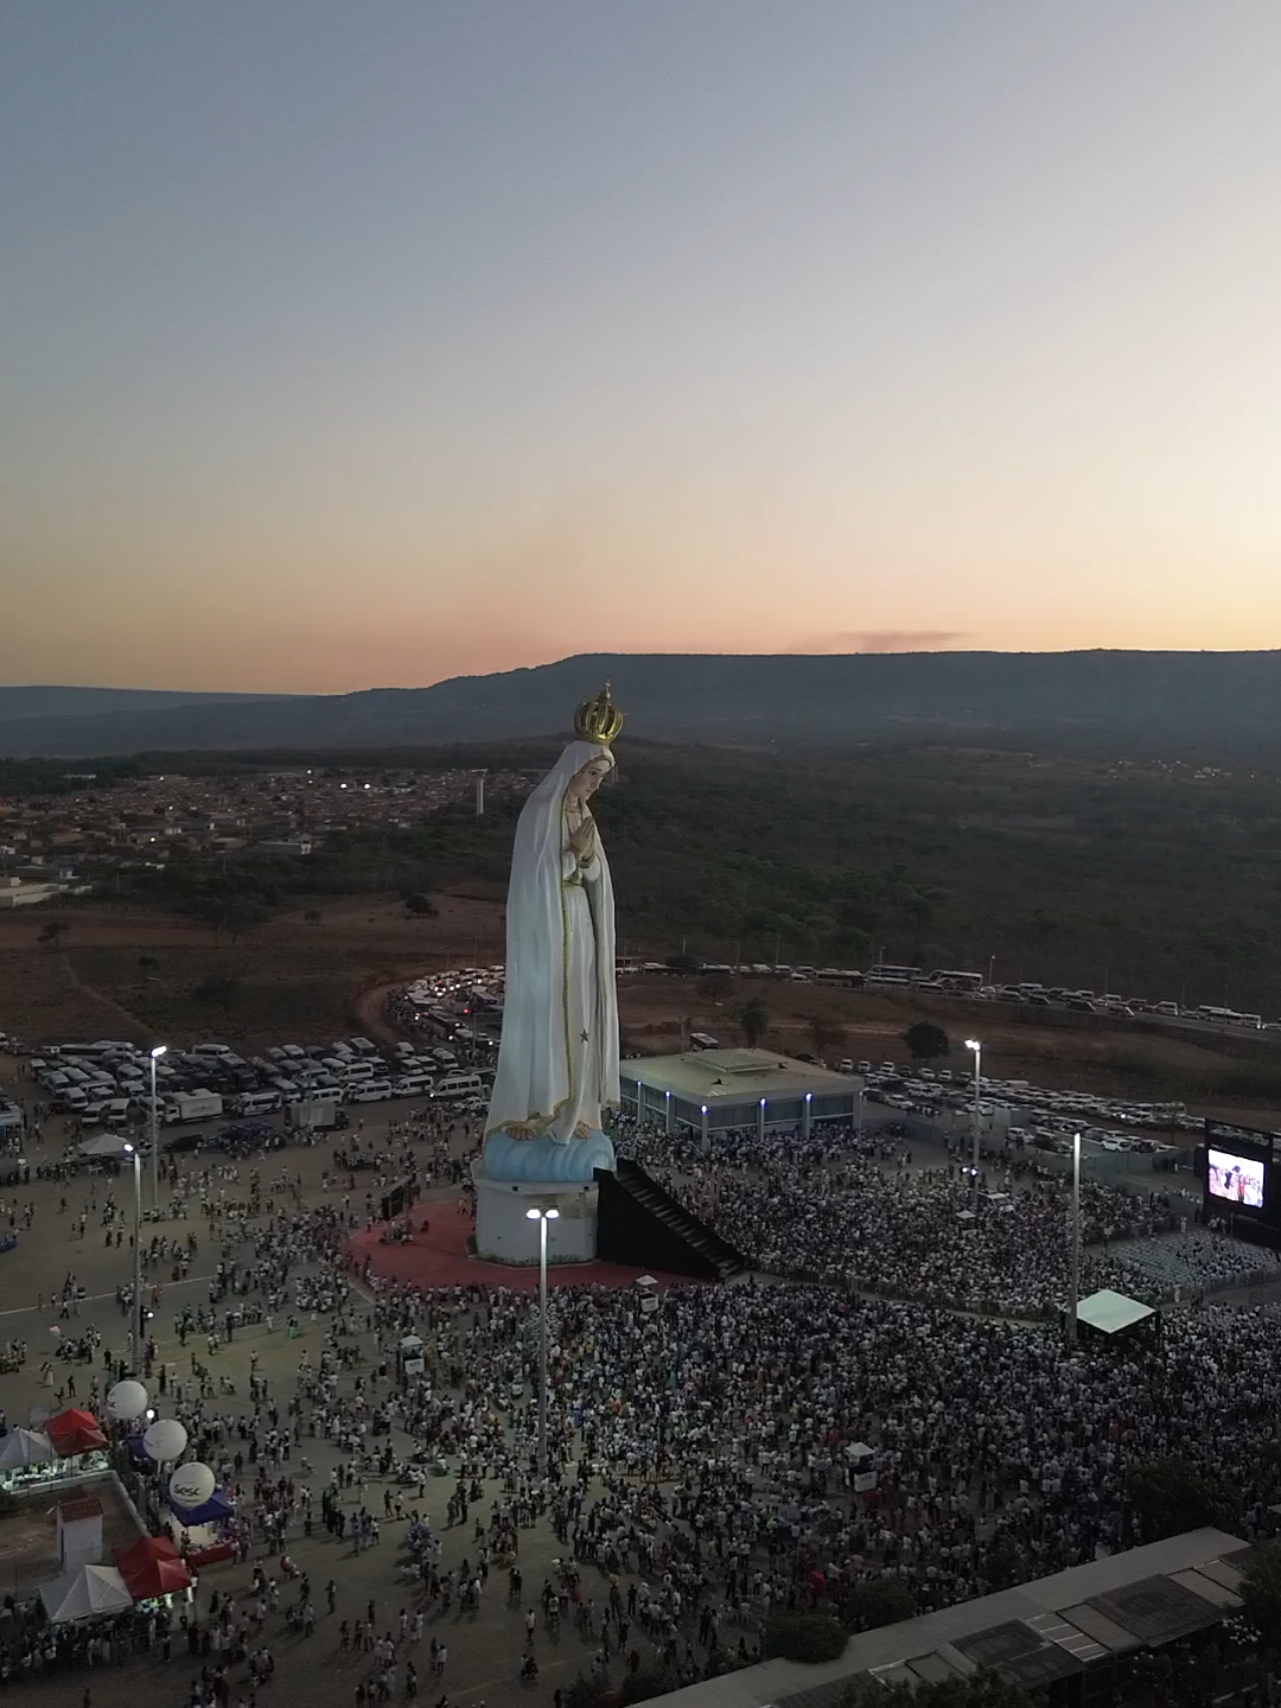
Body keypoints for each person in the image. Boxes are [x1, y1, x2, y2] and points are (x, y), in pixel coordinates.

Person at [482, 688, 623, 1164]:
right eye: (591, 775)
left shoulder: (584, 817)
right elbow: (533, 877)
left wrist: (585, 859)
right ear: (572, 770)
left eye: (601, 777)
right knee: (544, 1014)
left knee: (578, 1013)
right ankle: (533, 1108)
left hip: (578, 926)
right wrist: (572, 862)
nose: (595, 785)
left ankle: (578, 1105)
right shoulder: (541, 814)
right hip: (546, 930)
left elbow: (597, 877)